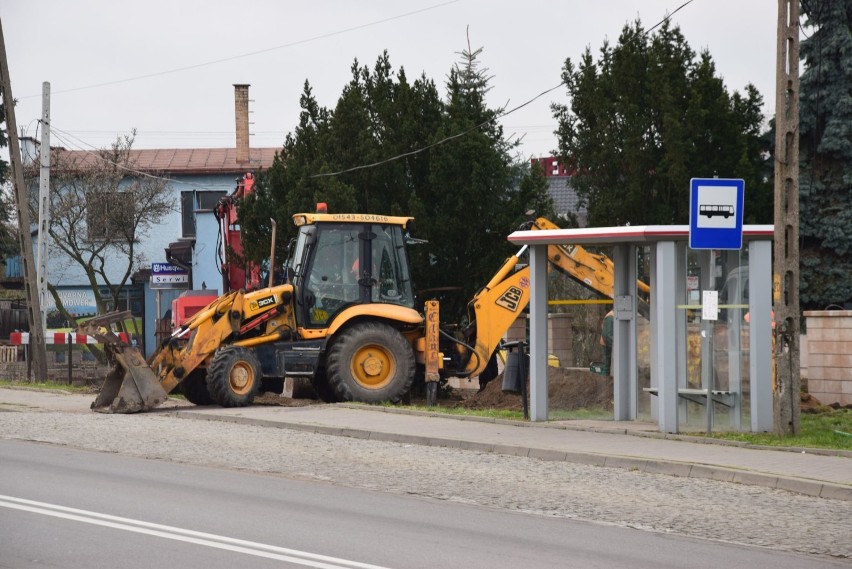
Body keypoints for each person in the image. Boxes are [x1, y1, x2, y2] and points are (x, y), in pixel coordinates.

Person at [600, 309, 614, 376]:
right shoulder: (610, 317)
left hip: (608, 343)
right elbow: (607, 335)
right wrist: (613, 345)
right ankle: (604, 381)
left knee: (607, 364)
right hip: (607, 344)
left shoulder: (611, 316)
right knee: (607, 365)